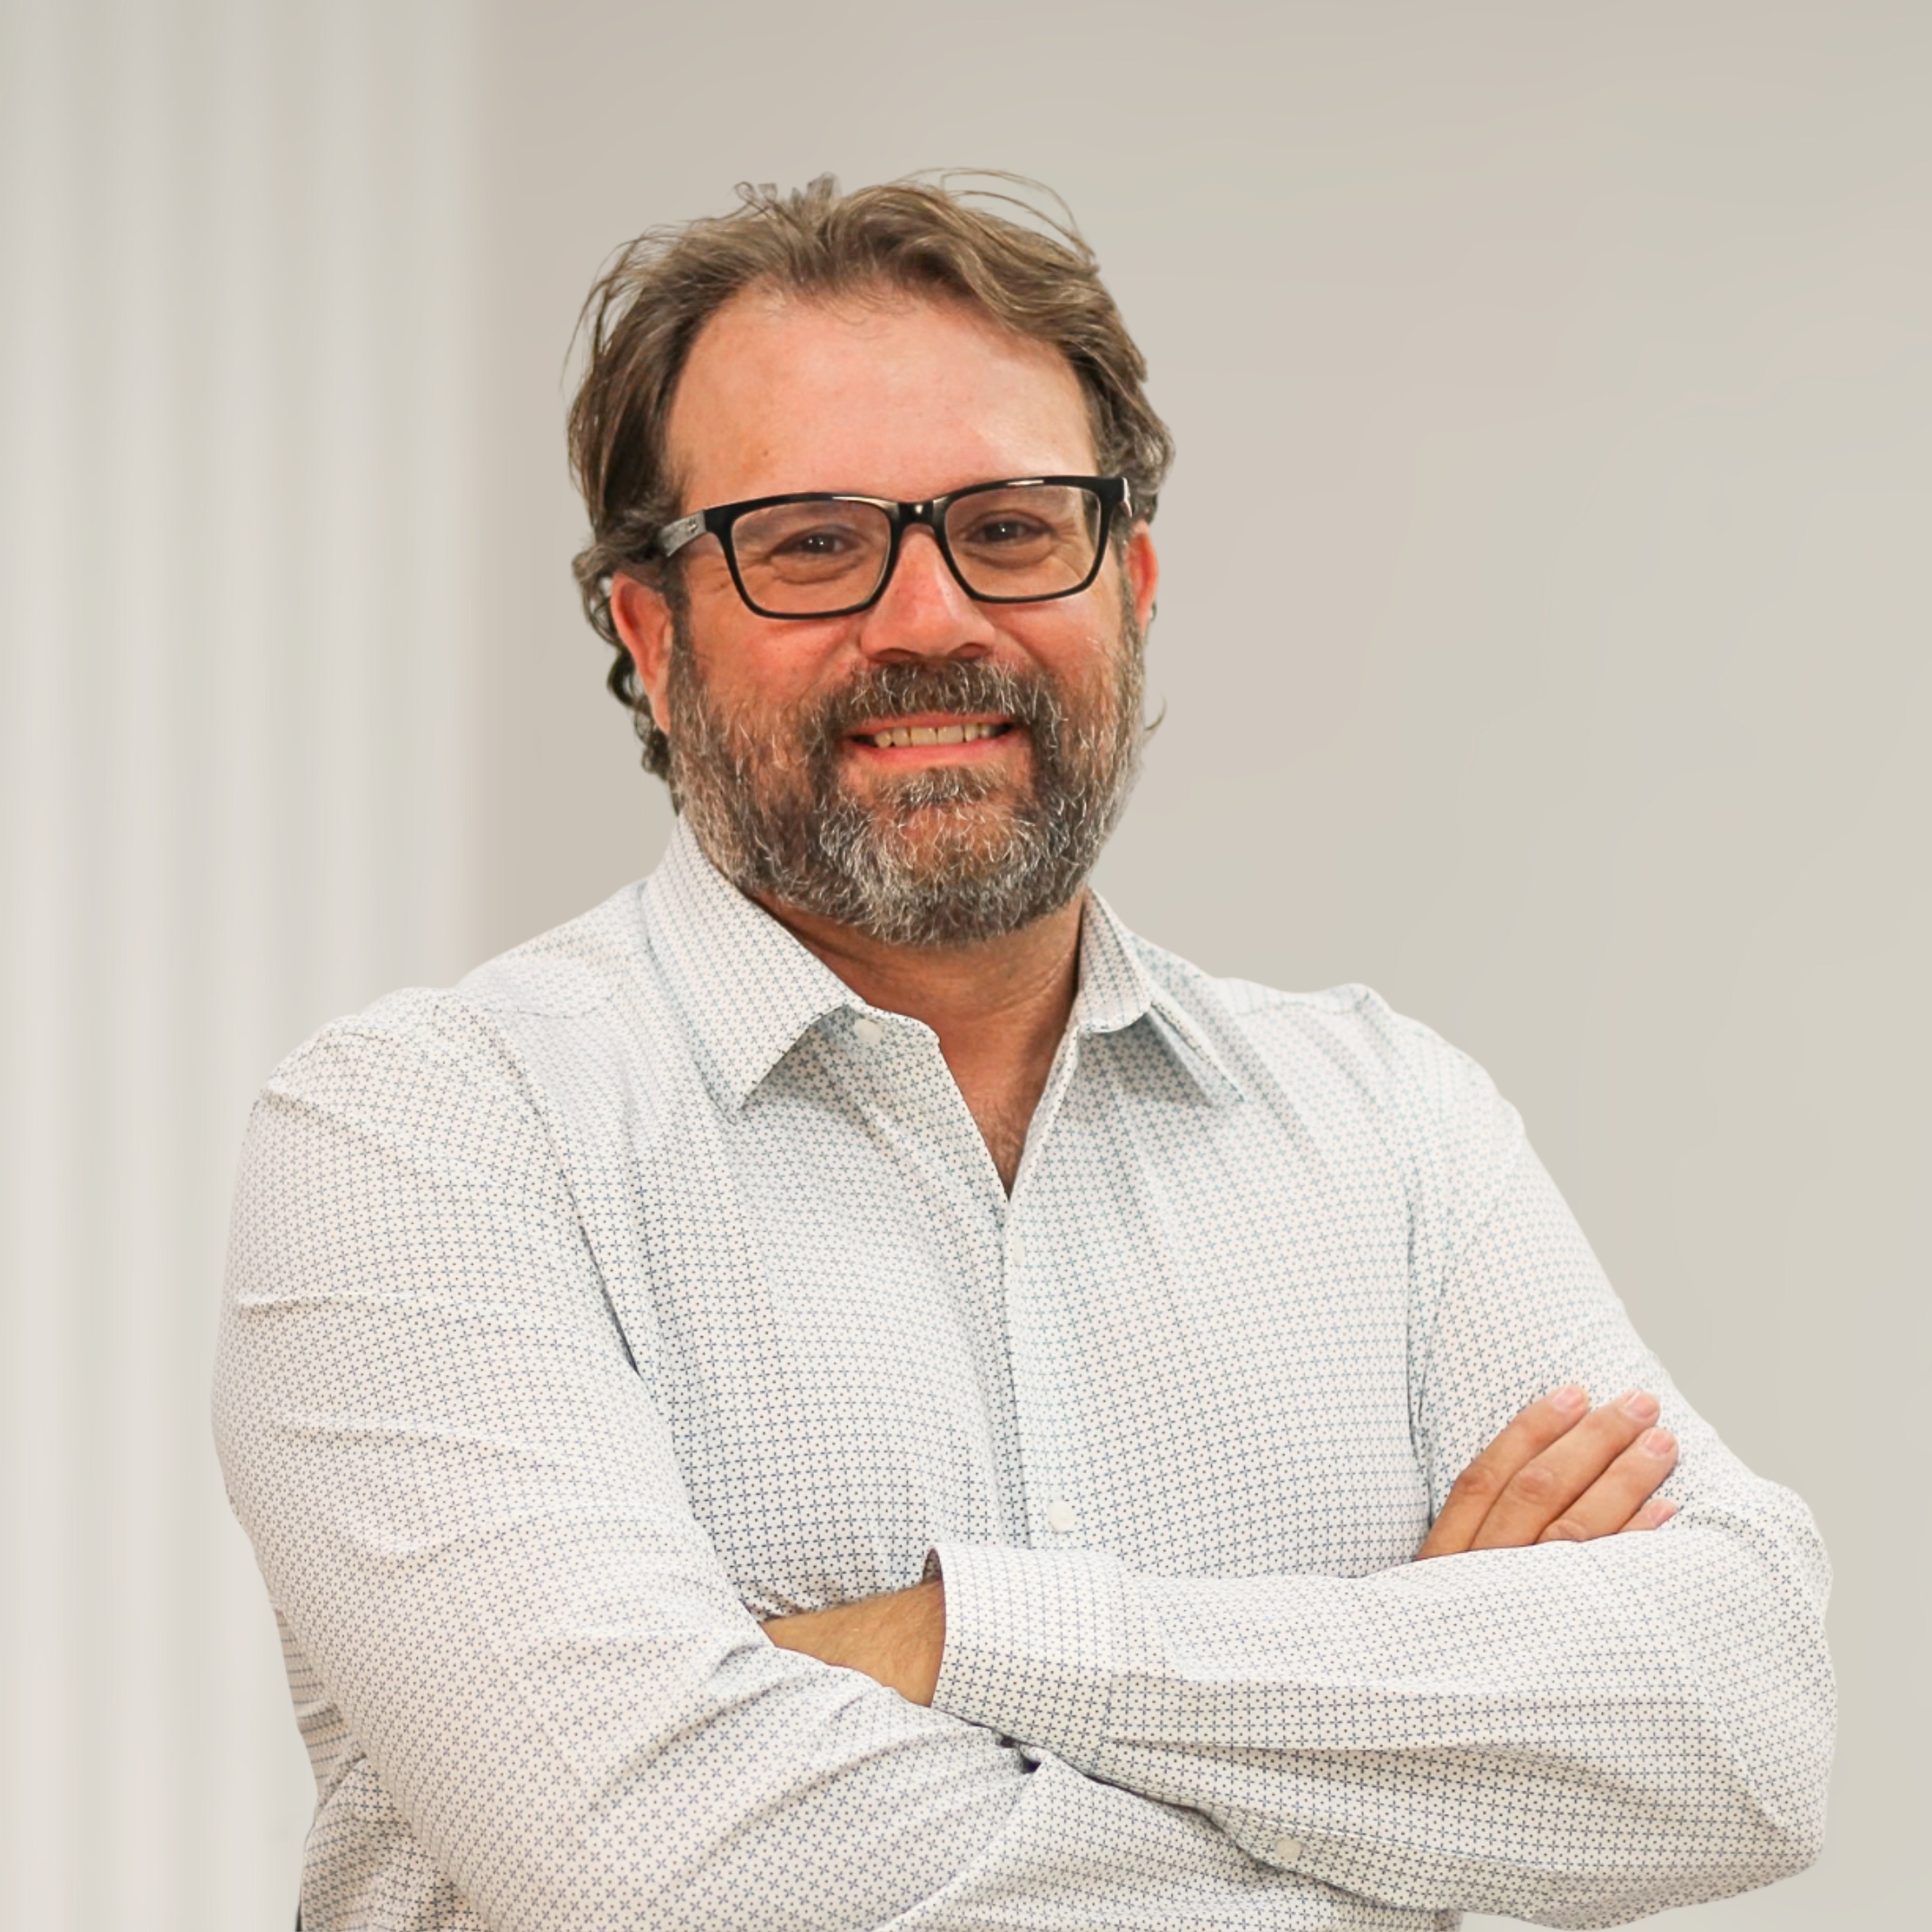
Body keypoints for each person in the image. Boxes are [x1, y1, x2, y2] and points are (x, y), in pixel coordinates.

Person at [213, 175, 1832, 1932]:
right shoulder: (430, 1139)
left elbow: (1740, 1731)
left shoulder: (1392, 1131)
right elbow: (672, 1869)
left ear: (1129, 586)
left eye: (1010, 526)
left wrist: (950, 1640)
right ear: (654, 637)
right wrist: (1416, 1745)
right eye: (813, 542)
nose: (930, 620)